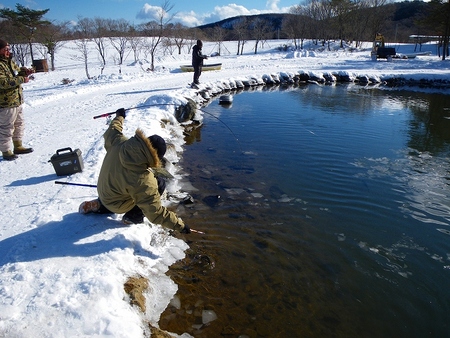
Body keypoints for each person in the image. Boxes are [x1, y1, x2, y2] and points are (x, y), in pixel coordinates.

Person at [79, 108, 190, 234]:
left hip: (104, 190)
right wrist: (180, 225)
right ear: (156, 158)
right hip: (116, 204)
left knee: (122, 184)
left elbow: (113, 129)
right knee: (159, 183)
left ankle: (100, 204)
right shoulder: (143, 179)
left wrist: (119, 117)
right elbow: (155, 213)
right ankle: (132, 217)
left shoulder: (120, 142)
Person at [0, 39, 34, 161]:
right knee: (6, 127)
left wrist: (25, 72)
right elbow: (2, 82)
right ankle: (6, 151)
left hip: (16, 100)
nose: (8, 51)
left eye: (9, 48)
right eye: (5, 49)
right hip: (5, 103)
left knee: (19, 124)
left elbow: (18, 72)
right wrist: (21, 79)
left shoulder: (9, 61)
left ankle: (18, 146)